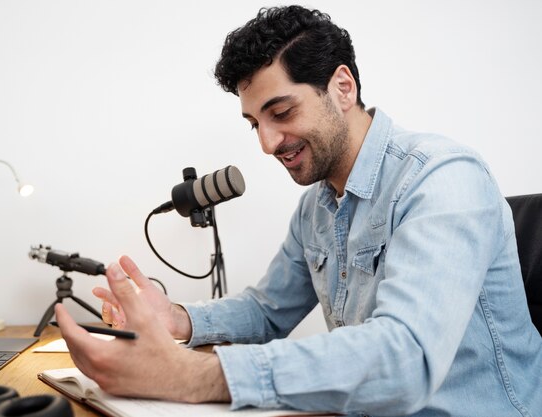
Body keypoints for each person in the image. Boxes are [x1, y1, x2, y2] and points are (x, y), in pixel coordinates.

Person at [55, 5, 542, 416]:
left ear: (342, 87)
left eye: (282, 113)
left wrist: (195, 376)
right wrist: (179, 319)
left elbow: (405, 357)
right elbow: (267, 312)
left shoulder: (444, 177)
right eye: (254, 124)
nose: (267, 144)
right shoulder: (315, 207)